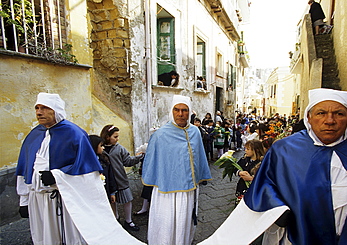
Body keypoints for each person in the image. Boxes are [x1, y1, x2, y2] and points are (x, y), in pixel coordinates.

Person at [200, 88, 347, 245]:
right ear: (309, 117)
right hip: (296, 235)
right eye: (321, 113)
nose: (330, 120)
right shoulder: (285, 150)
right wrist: (277, 209)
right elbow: (265, 184)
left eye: (339, 113)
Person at [16, 92, 143, 245]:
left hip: (65, 199)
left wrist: (57, 176)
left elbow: (88, 171)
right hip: (37, 199)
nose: (39, 112)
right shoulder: (34, 135)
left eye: (44, 108)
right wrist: (24, 200)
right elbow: (24, 168)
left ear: (56, 110)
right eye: (37, 107)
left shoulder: (75, 134)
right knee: (43, 237)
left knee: (68, 237)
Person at [142, 95, 212, 245]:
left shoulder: (195, 132)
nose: (180, 114)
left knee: (184, 219)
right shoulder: (160, 135)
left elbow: (199, 156)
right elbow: (151, 162)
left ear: (190, 112)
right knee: (166, 221)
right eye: (177, 110)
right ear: (171, 111)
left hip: (188, 189)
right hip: (166, 190)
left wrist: (199, 177)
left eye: (184, 110)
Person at [100, 125, 144, 231]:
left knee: (127, 200)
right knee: (112, 201)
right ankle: (115, 219)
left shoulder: (119, 148)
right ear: (107, 137)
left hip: (120, 180)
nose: (117, 139)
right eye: (115, 137)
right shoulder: (100, 148)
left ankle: (128, 221)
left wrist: (139, 157)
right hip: (107, 181)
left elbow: (127, 161)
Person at [89, 135, 118, 211]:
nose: (103, 148)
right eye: (101, 146)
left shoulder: (104, 159)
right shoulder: (87, 163)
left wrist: (112, 192)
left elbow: (110, 176)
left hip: (106, 191)